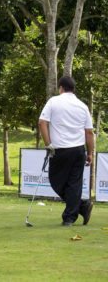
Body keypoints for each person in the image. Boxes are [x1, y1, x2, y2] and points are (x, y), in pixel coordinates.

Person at [39, 76, 94, 226]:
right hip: (78, 151)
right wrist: (90, 153)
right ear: (73, 89)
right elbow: (89, 132)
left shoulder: (53, 101)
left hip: (60, 150)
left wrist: (48, 143)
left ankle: (70, 217)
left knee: (56, 181)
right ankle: (82, 206)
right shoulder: (82, 106)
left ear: (61, 87)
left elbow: (42, 122)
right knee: (73, 184)